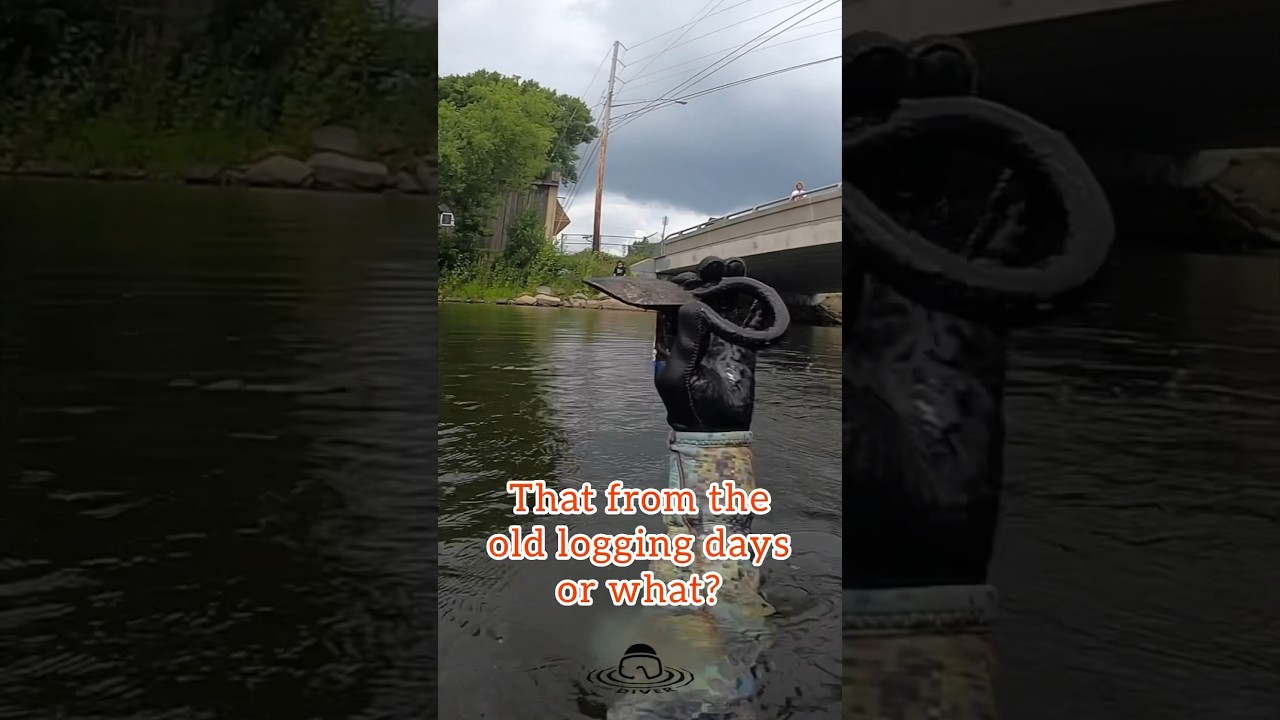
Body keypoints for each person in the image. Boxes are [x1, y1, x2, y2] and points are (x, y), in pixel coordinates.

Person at [609, 256, 776, 720]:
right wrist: (709, 433)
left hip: (701, 453)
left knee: (692, 570)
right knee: (711, 566)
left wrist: (698, 431)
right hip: (706, 453)